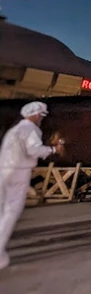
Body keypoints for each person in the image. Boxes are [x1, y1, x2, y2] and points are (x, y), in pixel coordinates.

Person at [0, 102, 65, 269]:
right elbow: (34, 149)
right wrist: (53, 150)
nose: (41, 120)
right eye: (41, 116)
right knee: (10, 211)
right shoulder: (31, 130)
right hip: (19, 171)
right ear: (36, 115)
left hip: (3, 170)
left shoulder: (14, 130)